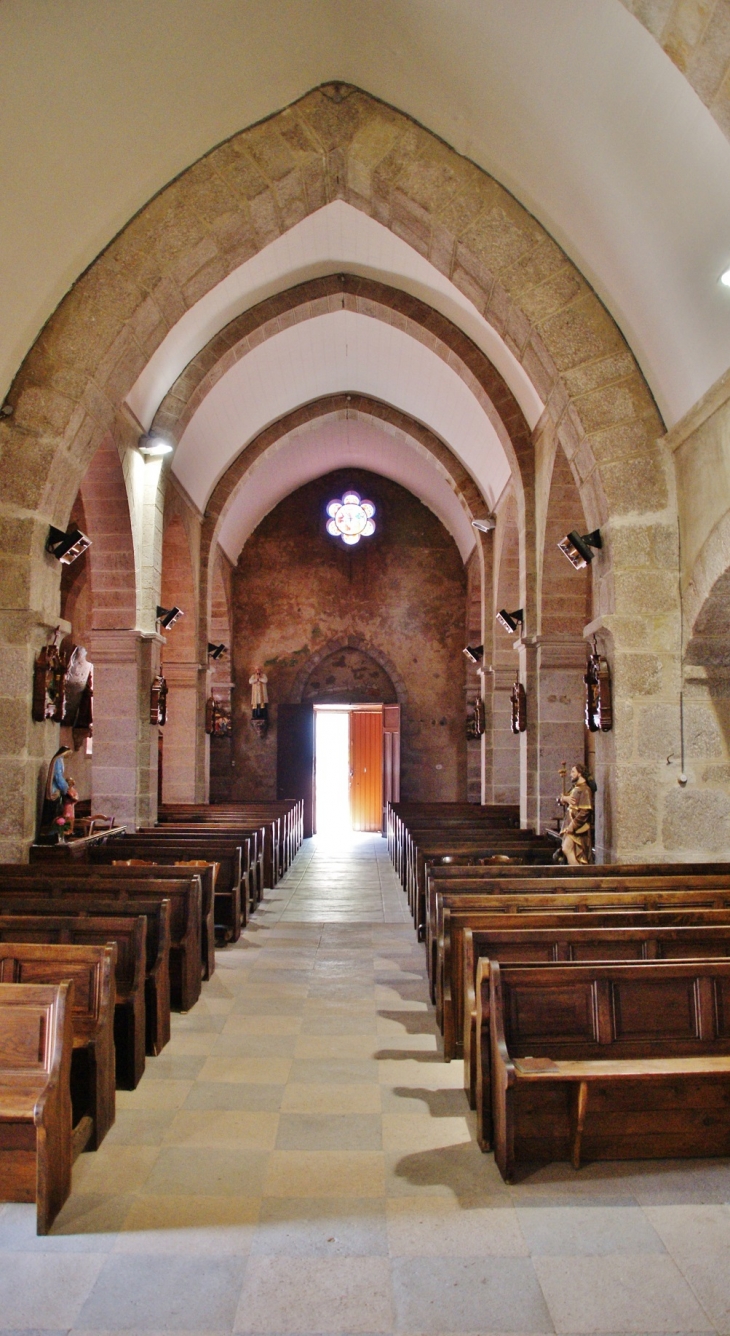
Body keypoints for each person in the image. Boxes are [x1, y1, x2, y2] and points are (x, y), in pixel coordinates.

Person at [557, 762, 594, 865]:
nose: (571, 774)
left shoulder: (585, 790)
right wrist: (565, 798)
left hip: (578, 828)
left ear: (580, 773)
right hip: (570, 824)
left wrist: (572, 826)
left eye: (573, 772)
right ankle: (575, 874)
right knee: (568, 850)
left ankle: (577, 873)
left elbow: (585, 812)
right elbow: (560, 799)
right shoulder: (575, 788)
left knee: (567, 849)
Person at [41, 745, 73, 831]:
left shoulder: (59, 759)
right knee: (53, 811)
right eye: (68, 753)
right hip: (54, 790)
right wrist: (65, 787)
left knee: (56, 811)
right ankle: (51, 830)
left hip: (56, 789)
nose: (69, 756)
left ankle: (54, 830)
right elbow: (58, 777)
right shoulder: (58, 760)